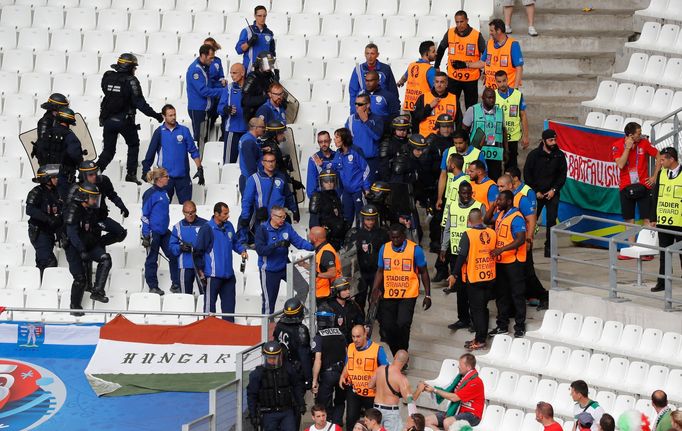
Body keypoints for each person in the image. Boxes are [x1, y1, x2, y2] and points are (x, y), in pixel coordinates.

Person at [98, 53, 163, 184]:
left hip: (108, 120)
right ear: (129, 67)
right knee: (133, 144)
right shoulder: (131, 81)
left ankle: (92, 173)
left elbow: (106, 92)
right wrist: (156, 115)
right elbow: (141, 104)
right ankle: (131, 174)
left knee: (108, 151)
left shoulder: (108, 77)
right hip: (124, 120)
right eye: (134, 67)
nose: (135, 70)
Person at [372, 223, 432, 355]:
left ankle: (402, 353)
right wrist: (375, 289)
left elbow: (424, 272)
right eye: (392, 237)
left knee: (403, 324)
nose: (395, 240)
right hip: (389, 293)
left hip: (408, 294)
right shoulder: (384, 248)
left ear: (404, 236)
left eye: (398, 237)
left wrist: (428, 295)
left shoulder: (415, 250)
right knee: (387, 327)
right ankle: (397, 354)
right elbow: (380, 271)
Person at [440, 182, 485, 332]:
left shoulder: (479, 206)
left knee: (472, 289)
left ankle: (474, 321)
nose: (465, 196)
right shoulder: (452, 205)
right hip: (456, 253)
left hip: (473, 254)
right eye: (462, 193)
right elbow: (447, 228)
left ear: (472, 193)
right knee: (460, 289)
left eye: (468, 193)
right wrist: (443, 248)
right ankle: (463, 319)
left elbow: (484, 229)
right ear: (458, 193)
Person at [449, 209, 496, 350]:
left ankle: (480, 340)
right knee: (483, 308)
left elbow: (461, 257)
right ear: (481, 219)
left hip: (475, 278)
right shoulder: (492, 233)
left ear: (469, 222)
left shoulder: (468, 234)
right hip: (490, 276)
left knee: (477, 310)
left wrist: (454, 274)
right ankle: (480, 337)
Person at [193, 202, 247, 321]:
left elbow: (235, 242)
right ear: (216, 214)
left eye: (228, 213)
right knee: (209, 310)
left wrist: (242, 250)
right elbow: (197, 252)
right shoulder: (207, 229)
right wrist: (201, 273)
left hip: (229, 276)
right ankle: (208, 333)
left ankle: (229, 335)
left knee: (229, 311)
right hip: (212, 276)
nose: (228, 216)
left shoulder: (229, 226)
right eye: (225, 214)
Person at [255, 206, 314, 313]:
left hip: (285, 266)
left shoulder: (286, 226)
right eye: (280, 217)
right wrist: (276, 245)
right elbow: (260, 250)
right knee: (269, 302)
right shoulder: (262, 229)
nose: (283, 219)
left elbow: (298, 241)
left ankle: (293, 314)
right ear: (272, 216)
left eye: (284, 216)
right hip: (269, 270)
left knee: (303, 287)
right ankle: (268, 326)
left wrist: (314, 246)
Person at [485, 190, 527, 338]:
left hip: (514, 262)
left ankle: (520, 326)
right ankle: (502, 325)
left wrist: (501, 249)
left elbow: (520, 239)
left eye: (501, 200)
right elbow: (486, 220)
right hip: (501, 261)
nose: (498, 202)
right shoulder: (501, 214)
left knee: (517, 294)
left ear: (509, 201)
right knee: (501, 295)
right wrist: (493, 206)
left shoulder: (517, 217)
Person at [142, 104, 204, 204]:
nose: (173, 117)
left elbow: (193, 150)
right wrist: (145, 169)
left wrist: (199, 168)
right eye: (170, 115)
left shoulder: (184, 130)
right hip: (165, 177)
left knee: (187, 207)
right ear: (163, 116)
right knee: (163, 206)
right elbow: (151, 152)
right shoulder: (159, 132)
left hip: (183, 177)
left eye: (174, 114)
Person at [63, 183, 110, 313]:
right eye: (93, 197)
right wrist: (81, 250)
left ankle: (97, 291)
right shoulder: (73, 209)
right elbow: (72, 234)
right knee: (80, 279)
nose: (95, 200)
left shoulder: (90, 210)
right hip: (74, 248)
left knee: (105, 259)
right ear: (84, 197)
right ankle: (75, 306)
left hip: (88, 244)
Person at [505, 167, 547, 309]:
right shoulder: (507, 197)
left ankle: (543, 296)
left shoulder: (524, 194)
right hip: (512, 240)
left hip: (523, 239)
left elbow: (531, 217)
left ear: (513, 181)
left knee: (528, 272)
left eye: (502, 185)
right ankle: (529, 295)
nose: (499, 189)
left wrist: (529, 238)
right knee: (521, 273)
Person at [239, 151, 299, 245]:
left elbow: (288, 196)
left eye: (272, 161)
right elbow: (247, 200)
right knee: (265, 247)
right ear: (263, 162)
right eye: (268, 161)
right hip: (263, 219)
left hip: (279, 219)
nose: (270, 164)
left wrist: (295, 211)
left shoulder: (281, 178)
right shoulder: (254, 179)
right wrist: (245, 217)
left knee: (281, 247)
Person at [524, 128, 567, 258]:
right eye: (550, 140)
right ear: (544, 141)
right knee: (531, 220)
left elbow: (562, 176)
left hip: (552, 193)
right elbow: (527, 174)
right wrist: (535, 191)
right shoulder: (533, 155)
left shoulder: (559, 155)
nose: (553, 142)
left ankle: (549, 248)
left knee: (551, 220)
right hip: (536, 194)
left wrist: (554, 190)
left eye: (554, 139)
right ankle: (527, 245)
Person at [613, 122, 661, 232]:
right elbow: (620, 165)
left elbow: (659, 156)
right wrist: (627, 148)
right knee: (629, 220)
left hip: (644, 185)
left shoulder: (644, 143)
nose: (641, 135)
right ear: (631, 136)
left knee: (647, 219)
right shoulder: (617, 145)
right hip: (625, 186)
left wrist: (654, 176)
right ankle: (631, 247)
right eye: (639, 134)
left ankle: (646, 245)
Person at [247, 341, 304, 431]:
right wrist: (253, 415)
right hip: (268, 413)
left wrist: (301, 403)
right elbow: (252, 395)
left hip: (287, 411)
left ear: (280, 356)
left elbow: (297, 386)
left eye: (274, 358)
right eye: (269, 358)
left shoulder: (288, 369)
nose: (272, 360)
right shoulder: (257, 374)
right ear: (265, 357)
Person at [339, 325, 389, 428]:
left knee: (371, 423)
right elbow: (347, 364)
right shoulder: (351, 347)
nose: (355, 340)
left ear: (365, 334)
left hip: (371, 393)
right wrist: (343, 375)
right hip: (354, 390)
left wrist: (379, 384)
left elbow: (386, 370)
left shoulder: (377, 349)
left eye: (358, 336)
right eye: (353, 337)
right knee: (351, 420)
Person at [434, 10, 486, 109]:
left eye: (461, 21)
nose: (459, 24)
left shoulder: (476, 35)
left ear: (467, 20)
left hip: (471, 77)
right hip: (454, 77)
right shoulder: (450, 33)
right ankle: (454, 124)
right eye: (457, 22)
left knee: (471, 107)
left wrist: (486, 71)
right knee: (452, 105)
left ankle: (470, 124)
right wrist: (436, 65)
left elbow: (486, 55)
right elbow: (441, 49)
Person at [69, 161, 128, 247]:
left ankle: (98, 244)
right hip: (84, 223)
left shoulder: (103, 181)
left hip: (100, 218)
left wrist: (121, 206)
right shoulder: (76, 188)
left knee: (121, 233)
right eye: (91, 175)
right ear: (83, 175)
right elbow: (69, 210)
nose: (94, 177)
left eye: (95, 173)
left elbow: (112, 195)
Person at [417, 353, 484, 429]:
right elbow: (447, 391)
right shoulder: (460, 378)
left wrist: (435, 390)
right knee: (426, 421)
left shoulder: (475, 382)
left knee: (448, 422)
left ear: (468, 367)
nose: (458, 366)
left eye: (460, 364)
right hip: (457, 412)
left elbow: (454, 398)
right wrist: (430, 388)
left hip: (472, 415)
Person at [141, 168, 180, 295]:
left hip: (164, 231)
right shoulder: (150, 193)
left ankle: (176, 283)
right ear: (159, 179)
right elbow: (145, 215)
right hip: (154, 232)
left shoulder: (165, 192)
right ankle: (153, 286)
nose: (169, 178)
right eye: (166, 176)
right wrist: (146, 234)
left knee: (174, 254)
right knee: (152, 259)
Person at [33, 107, 84, 200]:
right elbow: (75, 154)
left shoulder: (46, 133)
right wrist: (80, 165)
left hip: (47, 176)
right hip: (63, 177)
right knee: (64, 204)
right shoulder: (70, 136)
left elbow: (39, 151)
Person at [312, 303, 348, 426]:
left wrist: (314, 380)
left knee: (323, 403)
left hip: (327, 374)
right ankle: (337, 425)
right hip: (341, 373)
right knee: (340, 401)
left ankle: (328, 425)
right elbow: (347, 354)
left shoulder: (319, 337)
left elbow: (318, 360)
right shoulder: (341, 333)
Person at [652, 147, 682, 292]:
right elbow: (656, 195)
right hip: (664, 220)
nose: (660, 162)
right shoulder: (662, 174)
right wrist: (653, 217)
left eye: (663, 159)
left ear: (672, 159)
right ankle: (662, 282)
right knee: (664, 253)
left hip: (680, 222)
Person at [273, 298, 313, 403]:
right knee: (296, 404)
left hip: (281, 369)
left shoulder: (279, 325)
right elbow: (304, 357)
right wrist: (309, 379)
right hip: (296, 372)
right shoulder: (301, 330)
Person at [350, 204, 389, 311]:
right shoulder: (355, 233)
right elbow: (349, 254)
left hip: (377, 272)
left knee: (374, 298)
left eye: (372, 219)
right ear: (362, 219)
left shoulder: (383, 234)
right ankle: (359, 320)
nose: (370, 222)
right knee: (359, 299)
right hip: (361, 272)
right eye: (367, 219)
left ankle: (371, 320)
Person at [467, 19, 524, 89]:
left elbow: (519, 68)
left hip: (506, 91)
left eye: (492, 31)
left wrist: (515, 89)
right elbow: (482, 62)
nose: (490, 33)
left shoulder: (513, 45)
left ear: (499, 31)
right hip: (490, 91)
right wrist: (466, 64)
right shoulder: (489, 43)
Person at [26, 165, 62, 278]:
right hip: (39, 232)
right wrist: (47, 218)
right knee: (49, 262)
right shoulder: (36, 192)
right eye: (54, 177)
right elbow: (29, 209)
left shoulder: (57, 192)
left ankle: (41, 287)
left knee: (42, 264)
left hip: (50, 233)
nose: (57, 179)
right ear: (47, 179)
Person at [463, 87, 506, 181]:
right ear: (482, 98)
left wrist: (506, 150)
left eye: (494, 97)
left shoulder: (500, 111)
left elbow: (503, 131)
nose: (492, 100)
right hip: (477, 153)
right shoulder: (473, 110)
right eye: (489, 97)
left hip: (495, 154)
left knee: (494, 180)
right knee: (477, 179)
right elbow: (464, 130)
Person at [186, 44, 224, 149]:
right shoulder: (195, 70)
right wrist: (223, 91)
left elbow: (210, 83)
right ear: (203, 55)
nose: (213, 60)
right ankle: (198, 163)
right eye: (211, 57)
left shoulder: (205, 67)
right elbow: (203, 91)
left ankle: (202, 162)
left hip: (205, 108)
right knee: (200, 139)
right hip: (198, 109)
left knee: (204, 137)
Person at [332, 128, 372, 226]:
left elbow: (366, 169)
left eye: (337, 137)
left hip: (358, 191)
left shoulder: (355, 151)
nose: (334, 140)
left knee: (361, 219)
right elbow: (333, 165)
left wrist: (366, 188)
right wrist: (322, 164)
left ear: (344, 138)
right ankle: (348, 239)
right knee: (346, 219)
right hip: (346, 192)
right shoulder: (338, 153)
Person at [369, 350, 416, 431]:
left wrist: (381, 388)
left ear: (394, 357)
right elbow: (409, 400)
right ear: (406, 362)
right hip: (390, 412)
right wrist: (419, 390)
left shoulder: (380, 369)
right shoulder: (402, 379)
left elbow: (370, 386)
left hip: (376, 409)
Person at [437, 132, 483, 211]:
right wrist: (439, 197)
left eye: (460, 143)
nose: (458, 145)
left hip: (469, 197)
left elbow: (482, 177)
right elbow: (443, 175)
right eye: (455, 143)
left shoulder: (477, 154)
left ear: (466, 141)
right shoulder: (448, 152)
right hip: (450, 196)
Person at [169, 200, 208, 294]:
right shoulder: (178, 227)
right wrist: (180, 247)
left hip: (202, 266)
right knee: (185, 295)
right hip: (184, 266)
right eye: (187, 213)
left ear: (196, 211)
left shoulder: (206, 225)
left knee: (205, 294)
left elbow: (212, 244)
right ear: (183, 212)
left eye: (192, 212)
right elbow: (171, 246)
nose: (190, 215)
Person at [349, 43, 399, 111]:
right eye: (367, 53)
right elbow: (353, 92)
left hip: (381, 109)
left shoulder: (385, 69)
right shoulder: (358, 70)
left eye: (372, 53)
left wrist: (395, 108)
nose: (369, 56)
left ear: (377, 55)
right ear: (364, 54)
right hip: (364, 109)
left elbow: (393, 90)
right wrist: (353, 111)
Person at [495, 70, 529, 170]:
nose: (502, 84)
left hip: (513, 137)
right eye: (499, 81)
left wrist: (526, 136)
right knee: (496, 167)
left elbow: (523, 116)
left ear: (507, 80)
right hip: (497, 137)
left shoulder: (517, 95)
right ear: (496, 82)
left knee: (511, 167)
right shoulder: (492, 95)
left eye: (504, 81)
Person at [346, 93, 384, 179]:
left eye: (360, 104)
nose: (356, 106)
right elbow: (346, 140)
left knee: (370, 189)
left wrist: (366, 121)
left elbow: (377, 136)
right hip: (355, 162)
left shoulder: (377, 119)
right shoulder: (351, 119)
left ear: (368, 105)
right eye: (356, 104)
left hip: (371, 161)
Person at [411, 72, 459, 138]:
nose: (439, 85)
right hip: (425, 138)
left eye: (442, 82)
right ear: (433, 83)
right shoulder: (423, 97)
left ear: (446, 84)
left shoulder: (453, 98)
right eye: (437, 82)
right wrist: (429, 106)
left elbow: (458, 121)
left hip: (447, 138)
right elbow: (416, 117)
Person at [218, 63, 248, 163]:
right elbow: (220, 108)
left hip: (248, 131)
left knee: (247, 164)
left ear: (243, 73)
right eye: (231, 73)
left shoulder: (251, 88)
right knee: (228, 163)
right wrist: (226, 109)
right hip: (232, 131)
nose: (232, 75)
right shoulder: (229, 88)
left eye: (234, 73)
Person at [309, 170, 346, 250]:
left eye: (332, 181)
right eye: (326, 181)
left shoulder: (336, 195)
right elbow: (313, 223)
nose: (329, 183)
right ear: (321, 183)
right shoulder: (317, 197)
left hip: (338, 237)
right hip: (326, 240)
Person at [398, 41, 437, 113]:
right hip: (422, 107)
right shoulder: (430, 70)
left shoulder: (411, 65)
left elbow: (404, 78)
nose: (436, 54)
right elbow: (436, 89)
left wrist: (400, 82)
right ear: (427, 54)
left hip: (409, 105)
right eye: (433, 51)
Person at [237, 5, 276, 73]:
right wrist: (249, 43)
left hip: (264, 71)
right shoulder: (247, 31)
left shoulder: (269, 33)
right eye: (259, 15)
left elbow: (272, 54)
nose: (262, 18)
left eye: (264, 16)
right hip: (250, 70)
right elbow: (238, 50)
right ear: (255, 16)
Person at [242, 51, 280, 121]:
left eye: (271, 64)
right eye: (267, 64)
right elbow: (245, 101)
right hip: (254, 116)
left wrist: (276, 81)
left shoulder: (270, 76)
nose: (269, 67)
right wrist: (266, 97)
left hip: (268, 112)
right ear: (260, 64)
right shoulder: (252, 78)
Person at [326, 277, 364, 345]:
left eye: (348, 289)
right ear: (336, 292)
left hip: (352, 342)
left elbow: (360, 323)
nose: (348, 292)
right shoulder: (328, 308)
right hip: (336, 344)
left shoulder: (352, 305)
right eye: (344, 290)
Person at [309, 226, 342, 301]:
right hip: (323, 292)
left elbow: (332, 273)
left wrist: (316, 274)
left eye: (310, 234)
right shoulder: (322, 248)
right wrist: (306, 265)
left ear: (315, 239)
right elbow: (320, 267)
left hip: (327, 295)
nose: (308, 236)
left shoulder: (326, 253)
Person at [238, 117, 266, 192]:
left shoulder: (245, 137)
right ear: (255, 128)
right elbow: (250, 165)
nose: (264, 129)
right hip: (250, 179)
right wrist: (256, 181)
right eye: (262, 127)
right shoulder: (249, 141)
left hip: (248, 178)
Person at [378, 116, 411, 182]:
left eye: (404, 130)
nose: (402, 132)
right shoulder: (387, 143)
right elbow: (383, 167)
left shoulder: (410, 143)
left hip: (408, 178)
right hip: (393, 178)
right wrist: (388, 181)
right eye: (399, 129)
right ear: (394, 130)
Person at [307, 131, 337, 198]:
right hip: (322, 198)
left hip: (336, 196)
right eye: (321, 142)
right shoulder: (313, 159)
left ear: (330, 141)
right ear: (318, 143)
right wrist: (314, 200)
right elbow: (311, 185)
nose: (323, 144)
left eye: (326, 141)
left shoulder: (337, 156)